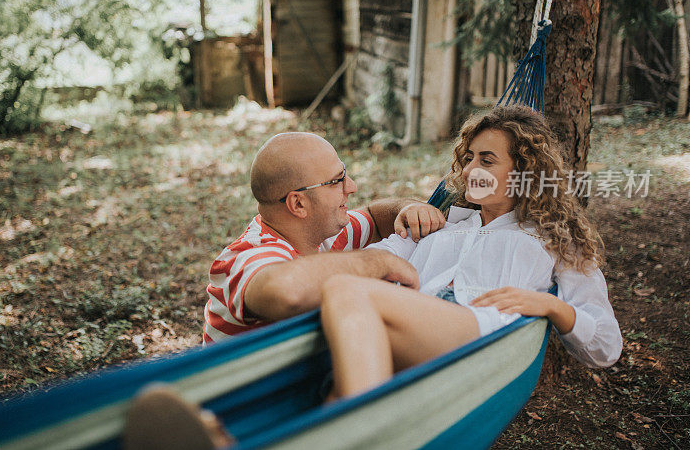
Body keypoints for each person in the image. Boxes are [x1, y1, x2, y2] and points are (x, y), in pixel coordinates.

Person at [319, 106, 623, 398]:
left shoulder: (553, 239)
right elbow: (369, 262)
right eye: (468, 158)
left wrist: (552, 305)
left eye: (487, 161)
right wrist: (409, 209)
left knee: (347, 294)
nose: (468, 171)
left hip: (479, 339)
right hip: (412, 325)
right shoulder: (439, 224)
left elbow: (606, 346)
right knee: (344, 311)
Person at [203, 131, 446, 343]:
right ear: (298, 204)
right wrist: (378, 261)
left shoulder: (320, 233)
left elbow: (374, 216)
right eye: (336, 181)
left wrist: (407, 208)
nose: (351, 187)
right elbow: (287, 291)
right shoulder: (248, 256)